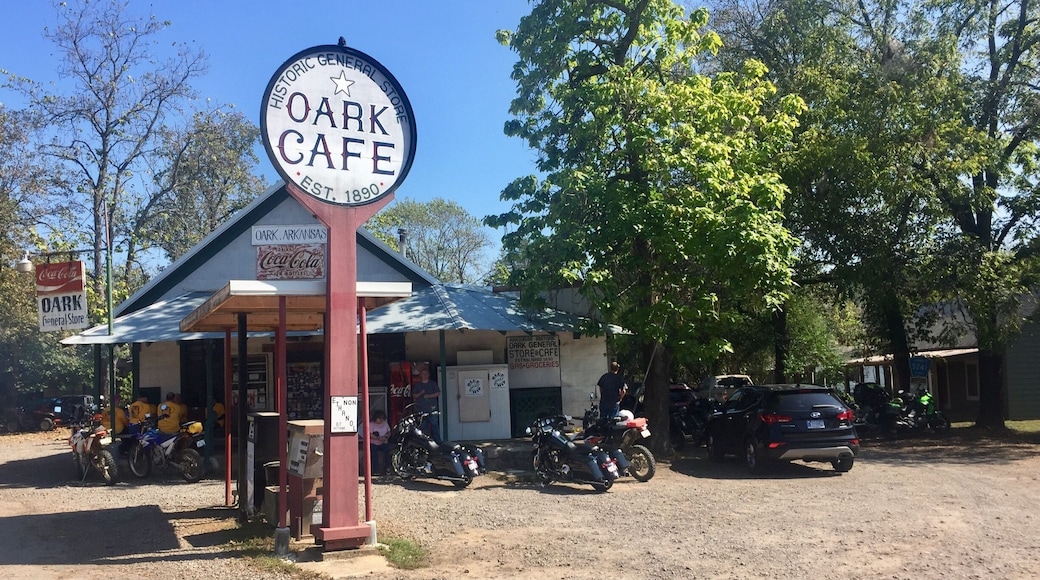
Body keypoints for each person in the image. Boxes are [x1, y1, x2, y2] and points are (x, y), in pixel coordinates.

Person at [411, 366, 440, 437]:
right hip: (421, 409)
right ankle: (426, 443)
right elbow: (414, 395)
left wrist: (429, 396)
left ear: (428, 375)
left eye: (426, 374)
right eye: (423, 374)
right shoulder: (418, 385)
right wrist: (420, 393)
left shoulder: (432, 384)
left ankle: (437, 442)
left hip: (432, 409)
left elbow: (438, 393)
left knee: (435, 426)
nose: (424, 375)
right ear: (420, 375)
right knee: (423, 427)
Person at [367, 409, 391, 476]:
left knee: (388, 452)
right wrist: (378, 438)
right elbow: (369, 434)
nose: (381, 420)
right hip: (374, 442)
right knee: (374, 454)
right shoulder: (371, 424)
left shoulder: (385, 423)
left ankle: (387, 468)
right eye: (379, 419)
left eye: (382, 419)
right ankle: (376, 471)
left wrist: (386, 437)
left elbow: (389, 432)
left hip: (383, 442)